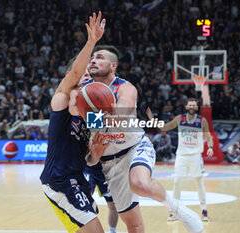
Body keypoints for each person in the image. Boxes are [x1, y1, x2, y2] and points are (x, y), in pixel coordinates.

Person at [83, 46, 203, 232]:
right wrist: (93, 154)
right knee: (134, 225)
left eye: (99, 57)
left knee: (141, 184)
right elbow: (88, 146)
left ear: (113, 65)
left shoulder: (125, 87)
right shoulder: (84, 92)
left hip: (134, 148)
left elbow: (121, 116)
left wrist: (92, 116)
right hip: (109, 162)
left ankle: (178, 210)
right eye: (91, 58)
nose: (93, 60)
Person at [40, 12, 107, 233]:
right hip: (60, 181)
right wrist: (91, 41)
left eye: (91, 74)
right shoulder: (61, 100)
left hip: (78, 179)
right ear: (71, 75)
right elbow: (77, 71)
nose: (88, 76)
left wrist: (95, 154)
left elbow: (88, 159)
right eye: (84, 73)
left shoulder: (93, 113)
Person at [147, 98, 214, 222]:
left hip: (195, 156)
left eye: (194, 105)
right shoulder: (180, 119)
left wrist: (210, 147)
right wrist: (152, 119)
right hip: (181, 156)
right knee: (177, 182)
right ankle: (174, 211)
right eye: (190, 105)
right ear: (186, 107)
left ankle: (204, 210)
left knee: (199, 182)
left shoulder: (202, 121)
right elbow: (165, 127)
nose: (192, 107)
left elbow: (208, 137)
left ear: (197, 107)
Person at [80, 69, 119, 233]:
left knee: (113, 207)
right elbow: (90, 141)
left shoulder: (116, 119)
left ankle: (112, 231)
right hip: (89, 166)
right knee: (83, 204)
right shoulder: (90, 115)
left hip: (106, 169)